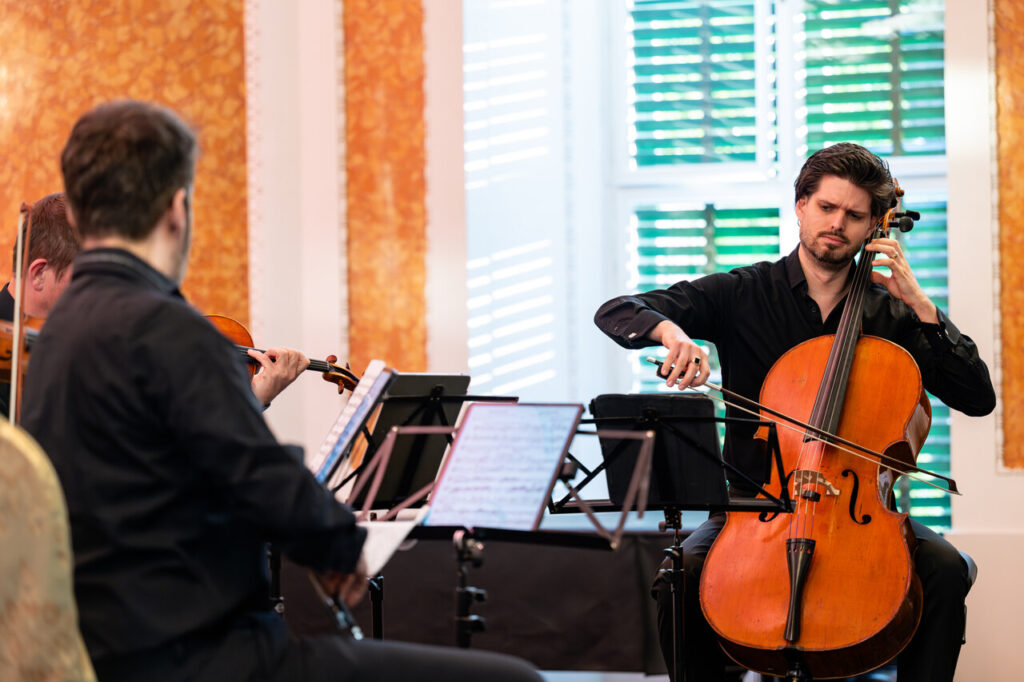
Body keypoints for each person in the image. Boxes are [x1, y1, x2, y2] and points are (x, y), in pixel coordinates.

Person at [21, 99, 542, 682]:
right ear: (175, 209)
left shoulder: (54, 338)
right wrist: (339, 549)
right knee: (512, 680)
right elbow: (260, 474)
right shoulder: (165, 328)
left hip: (115, 653)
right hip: (207, 658)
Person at [595, 143, 996, 682]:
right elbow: (618, 311)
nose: (838, 224)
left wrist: (922, 306)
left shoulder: (894, 315)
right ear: (801, 206)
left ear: (876, 226)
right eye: (827, 208)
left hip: (860, 517)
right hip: (752, 511)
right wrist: (672, 333)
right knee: (680, 574)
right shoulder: (742, 293)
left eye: (855, 215)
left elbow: (977, 398)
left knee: (944, 570)